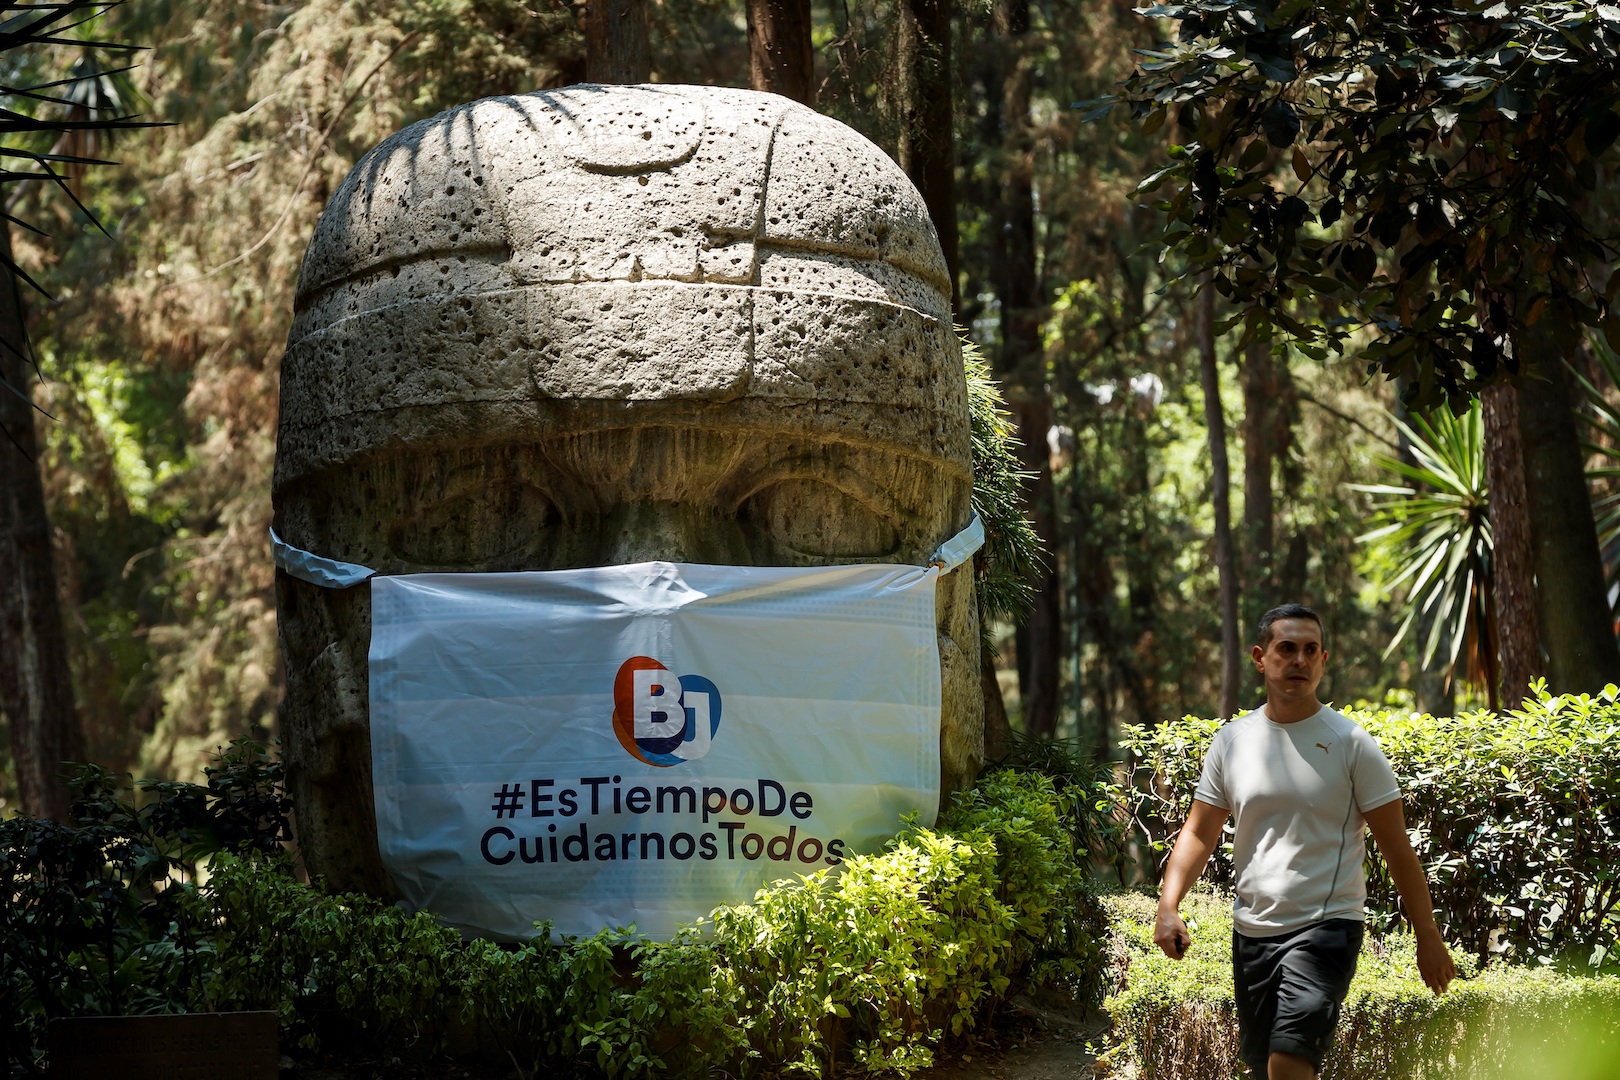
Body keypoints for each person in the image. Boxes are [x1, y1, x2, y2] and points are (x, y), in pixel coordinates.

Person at [1154, 604, 1456, 1080]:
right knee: (1264, 1070)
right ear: (1260, 657)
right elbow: (1198, 832)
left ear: (1323, 659)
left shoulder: (1351, 743)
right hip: (1251, 933)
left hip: (1326, 929)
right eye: (1287, 648)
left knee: (1288, 1064)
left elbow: (1397, 847)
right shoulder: (1233, 741)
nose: (1299, 660)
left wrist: (1428, 937)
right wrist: (1169, 905)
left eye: (1310, 650)